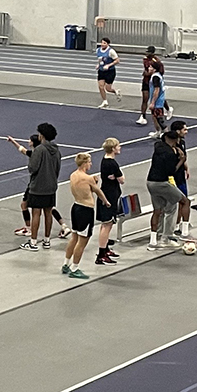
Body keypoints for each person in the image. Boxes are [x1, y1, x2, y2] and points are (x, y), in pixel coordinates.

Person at [10, 133, 72, 239]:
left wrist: (12, 141)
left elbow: (28, 161)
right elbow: (22, 149)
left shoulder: (36, 154)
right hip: (49, 185)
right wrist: (13, 142)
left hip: (36, 186)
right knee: (48, 208)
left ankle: (29, 229)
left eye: (29, 140)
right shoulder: (46, 152)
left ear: (33, 142)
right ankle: (63, 225)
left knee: (26, 205)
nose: (28, 141)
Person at [12, 122, 61, 250]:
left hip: (38, 186)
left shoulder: (39, 150)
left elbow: (32, 168)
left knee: (36, 213)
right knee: (48, 213)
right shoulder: (56, 149)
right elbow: (57, 168)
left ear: (42, 135)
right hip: (51, 186)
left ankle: (33, 242)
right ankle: (47, 240)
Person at [62, 153, 108, 280]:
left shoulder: (73, 175)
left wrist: (93, 181)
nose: (91, 164)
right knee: (82, 241)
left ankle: (66, 264)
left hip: (76, 207)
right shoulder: (88, 178)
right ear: (84, 163)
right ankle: (75, 268)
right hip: (86, 210)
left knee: (74, 237)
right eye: (89, 162)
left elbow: (85, 187)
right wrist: (106, 201)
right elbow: (97, 191)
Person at [144, 126, 189, 250]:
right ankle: (169, 237)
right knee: (183, 202)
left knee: (158, 211)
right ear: (176, 140)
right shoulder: (170, 154)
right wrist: (181, 160)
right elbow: (171, 172)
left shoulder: (158, 146)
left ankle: (154, 240)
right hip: (162, 183)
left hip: (150, 182)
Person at [95, 138, 124, 266]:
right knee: (106, 225)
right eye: (118, 146)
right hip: (109, 197)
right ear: (113, 148)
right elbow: (122, 179)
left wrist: (115, 177)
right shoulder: (112, 164)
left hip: (109, 195)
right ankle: (101, 255)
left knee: (108, 224)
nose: (120, 147)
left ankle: (105, 249)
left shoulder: (105, 160)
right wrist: (117, 178)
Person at [169, 120, 195, 241]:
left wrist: (186, 168)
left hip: (181, 177)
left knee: (184, 201)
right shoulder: (170, 146)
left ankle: (179, 224)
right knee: (175, 203)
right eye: (184, 129)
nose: (187, 131)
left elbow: (184, 158)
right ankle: (172, 227)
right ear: (177, 131)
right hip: (172, 178)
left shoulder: (182, 142)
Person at [137, 47, 166, 127]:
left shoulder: (157, 61)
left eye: (148, 52)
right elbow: (146, 71)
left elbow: (160, 71)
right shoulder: (145, 59)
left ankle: (166, 111)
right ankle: (143, 116)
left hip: (154, 82)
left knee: (157, 97)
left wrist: (149, 73)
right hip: (146, 81)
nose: (146, 53)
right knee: (145, 99)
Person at [95, 38, 120, 109]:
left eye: (104, 43)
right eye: (102, 43)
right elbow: (100, 59)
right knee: (100, 86)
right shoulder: (98, 50)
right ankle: (105, 101)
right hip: (101, 71)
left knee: (108, 89)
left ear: (108, 44)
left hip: (110, 72)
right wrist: (98, 65)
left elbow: (117, 60)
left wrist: (109, 65)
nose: (102, 44)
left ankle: (115, 91)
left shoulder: (111, 51)